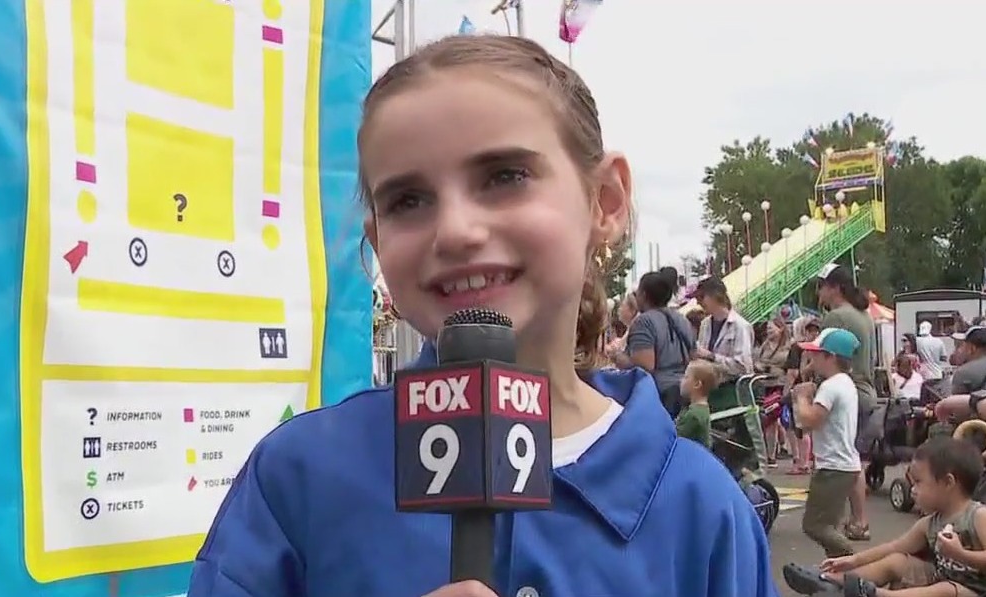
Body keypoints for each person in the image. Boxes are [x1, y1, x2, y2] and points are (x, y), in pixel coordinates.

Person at [187, 35, 775, 597]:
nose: (456, 231)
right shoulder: (301, 476)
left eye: (504, 177)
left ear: (605, 201)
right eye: (407, 201)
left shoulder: (703, 509)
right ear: (376, 239)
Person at [782, 437, 986, 597]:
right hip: (941, 578)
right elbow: (894, 547)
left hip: (972, 590)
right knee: (897, 561)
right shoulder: (930, 523)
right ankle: (833, 582)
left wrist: (961, 555)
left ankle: (876, 594)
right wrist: (853, 561)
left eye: (919, 482)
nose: (913, 490)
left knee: (947, 590)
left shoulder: (977, 516)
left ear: (948, 482)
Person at [817, 263, 877, 542]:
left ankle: (852, 519)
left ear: (835, 287)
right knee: (853, 458)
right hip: (865, 390)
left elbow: (821, 357)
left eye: (822, 286)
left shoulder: (836, 318)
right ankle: (858, 520)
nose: (820, 293)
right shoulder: (864, 315)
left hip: (845, 391)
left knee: (845, 460)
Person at [793, 328, 863, 559]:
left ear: (830, 357)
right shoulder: (844, 383)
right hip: (841, 464)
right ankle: (838, 572)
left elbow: (809, 420)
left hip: (834, 466)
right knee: (828, 526)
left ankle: (855, 564)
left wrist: (802, 397)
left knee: (815, 525)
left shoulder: (832, 386)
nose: (812, 360)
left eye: (816, 354)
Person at [626, 271, 696, 417]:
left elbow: (645, 366)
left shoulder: (643, 322)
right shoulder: (682, 319)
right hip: (687, 389)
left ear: (644, 294)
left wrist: (618, 358)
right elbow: (693, 354)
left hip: (661, 395)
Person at [784, 316, 821, 474]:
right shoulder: (822, 349)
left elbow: (792, 373)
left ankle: (802, 463)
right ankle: (813, 461)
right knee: (815, 427)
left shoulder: (797, 348)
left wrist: (786, 391)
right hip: (818, 389)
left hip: (800, 390)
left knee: (800, 427)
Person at [756, 317, 793, 467]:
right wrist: (760, 367)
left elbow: (790, 366)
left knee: (781, 420)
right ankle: (771, 455)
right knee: (769, 421)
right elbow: (757, 361)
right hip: (765, 384)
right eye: (768, 329)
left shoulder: (789, 346)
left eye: (772, 328)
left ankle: (791, 454)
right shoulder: (765, 345)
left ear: (781, 329)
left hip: (780, 386)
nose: (769, 331)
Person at [931, 326, 986, 423]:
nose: (957, 350)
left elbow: (956, 414)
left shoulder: (965, 372)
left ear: (972, 348)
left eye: (961, 346)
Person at [676, 359, 719, 448]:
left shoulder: (693, 415)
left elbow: (675, 439)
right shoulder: (701, 409)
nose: (681, 380)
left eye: (686, 377)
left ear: (697, 384)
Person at [917, 321, 950, 396]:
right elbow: (944, 358)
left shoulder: (917, 341)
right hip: (937, 374)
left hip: (922, 375)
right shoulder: (938, 341)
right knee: (936, 396)